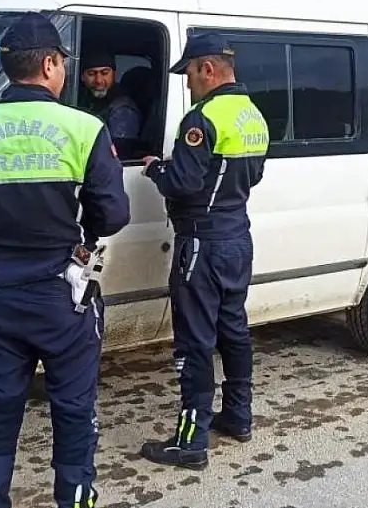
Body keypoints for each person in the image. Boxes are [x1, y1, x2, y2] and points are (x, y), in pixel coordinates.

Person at [0, 12, 131, 507]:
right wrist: (83, 229)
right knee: (72, 408)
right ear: (47, 64)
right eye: (62, 61)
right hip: (63, 294)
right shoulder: (84, 129)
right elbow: (114, 213)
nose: (64, 70)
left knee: (0, 409)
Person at [137, 32, 269, 471]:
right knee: (233, 328)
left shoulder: (202, 119)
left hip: (201, 244)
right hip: (237, 238)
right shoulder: (253, 116)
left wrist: (157, 169)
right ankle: (238, 415)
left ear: (207, 69)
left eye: (189, 74)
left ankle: (191, 441)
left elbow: (183, 183)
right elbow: (253, 177)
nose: (187, 83)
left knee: (194, 341)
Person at [79, 52, 142, 158]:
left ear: (114, 74)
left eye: (104, 73)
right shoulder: (81, 98)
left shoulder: (123, 109)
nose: (98, 80)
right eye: (91, 74)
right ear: (82, 77)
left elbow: (119, 154)